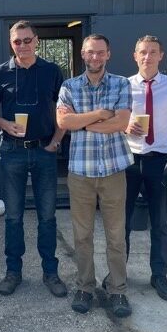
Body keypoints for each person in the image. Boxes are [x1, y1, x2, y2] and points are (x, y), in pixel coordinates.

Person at [0, 20, 67, 298]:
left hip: (44, 151)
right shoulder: (1, 73)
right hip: (12, 151)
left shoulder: (52, 71)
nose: (22, 45)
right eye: (17, 41)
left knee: (47, 216)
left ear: (37, 41)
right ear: (11, 44)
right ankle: (13, 272)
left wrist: (56, 141)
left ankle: (50, 272)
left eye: (27, 40)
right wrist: (5, 125)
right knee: (13, 217)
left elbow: (63, 111)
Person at [57, 34, 133, 317]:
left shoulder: (121, 84)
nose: (95, 57)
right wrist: (101, 114)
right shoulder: (69, 86)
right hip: (81, 173)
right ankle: (85, 287)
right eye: (90, 52)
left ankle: (117, 290)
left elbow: (122, 122)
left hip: (113, 170)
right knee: (82, 235)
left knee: (115, 235)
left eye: (100, 52)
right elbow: (64, 122)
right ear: (82, 54)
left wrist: (83, 122)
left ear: (108, 54)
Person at [124, 35, 167, 301]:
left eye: (152, 52)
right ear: (134, 56)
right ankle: (117, 273)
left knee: (159, 222)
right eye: (142, 52)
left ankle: (159, 275)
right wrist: (125, 126)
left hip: (159, 160)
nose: (147, 57)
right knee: (120, 221)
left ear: (161, 55)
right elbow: (115, 119)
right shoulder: (123, 86)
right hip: (128, 159)